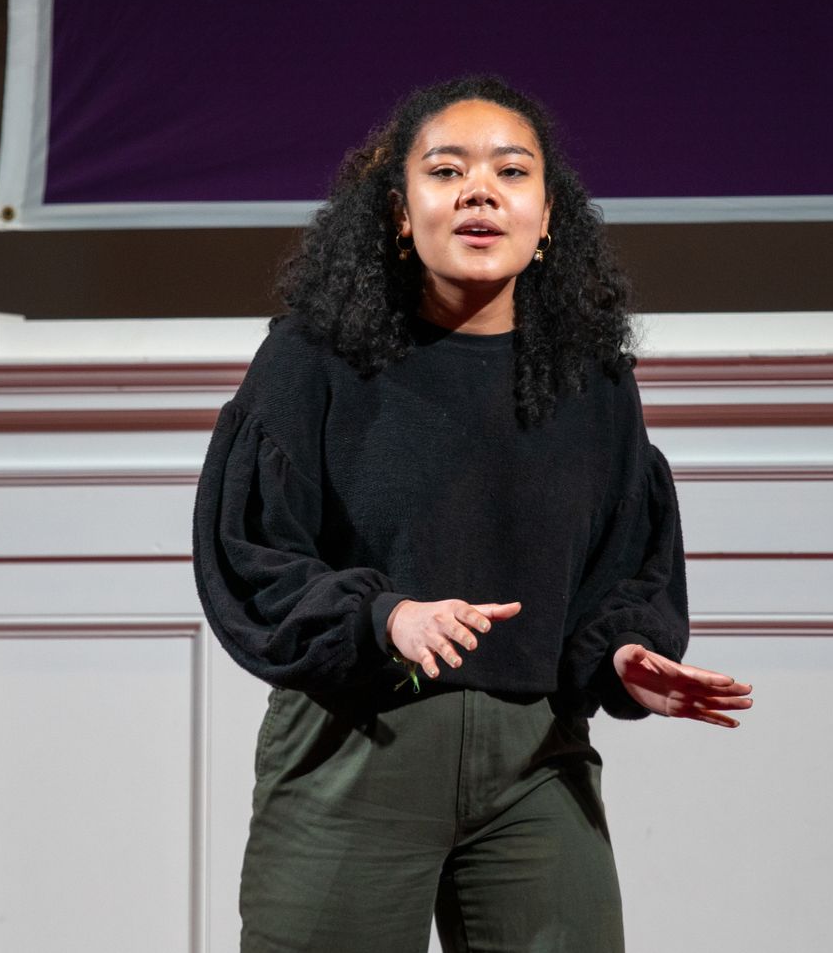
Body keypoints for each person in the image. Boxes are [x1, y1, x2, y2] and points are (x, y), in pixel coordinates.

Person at [192, 74, 755, 952]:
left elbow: (623, 562)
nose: (480, 190)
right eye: (446, 169)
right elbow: (253, 549)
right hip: (357, 745)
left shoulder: (592, 381)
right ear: (397, 213)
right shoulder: (313, 360)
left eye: (512, 171)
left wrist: (625, 654)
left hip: (535, 760)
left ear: (548, 219)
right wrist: (386, 615)